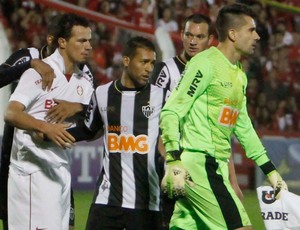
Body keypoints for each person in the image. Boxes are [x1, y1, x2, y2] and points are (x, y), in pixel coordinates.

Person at [160, 3, 288, 229]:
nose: (257, 36)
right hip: (201, 164)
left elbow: (243, 125)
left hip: (213, 165)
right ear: (232, 33)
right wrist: (173, 159)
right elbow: (172, 110)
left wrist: (269, 169)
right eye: (251, 30)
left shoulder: (238, 73)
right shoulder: (205, 63)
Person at [60, 36, 166, 230]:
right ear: (126, 61)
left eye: (152, 63)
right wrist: (51, 132)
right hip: (107, 201)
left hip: (147, 204)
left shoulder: (162, 97)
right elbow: (88, 129)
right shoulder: (102, 94)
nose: (149, 69)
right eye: (144, 62)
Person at [150, 13, 243, 227]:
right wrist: (169, 162)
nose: (193, 41)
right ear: (181, 36)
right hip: (174, 163)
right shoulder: (165, 71)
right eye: (188, 35)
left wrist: (233, 181)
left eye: (199, 37)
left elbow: (220, 132)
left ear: (210, 39)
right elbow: (156, 120)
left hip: (207, 164)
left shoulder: (217, 73)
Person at [4, 13, 94, 230]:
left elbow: (95, 118)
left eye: (90, 40)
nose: (89, 46)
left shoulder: (85, 80)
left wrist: (78, 108)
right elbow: (11, 113)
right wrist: (45, 127)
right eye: (82, 40)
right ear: (62, 42)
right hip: (32, 172)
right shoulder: (40, 72)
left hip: (61, 169)